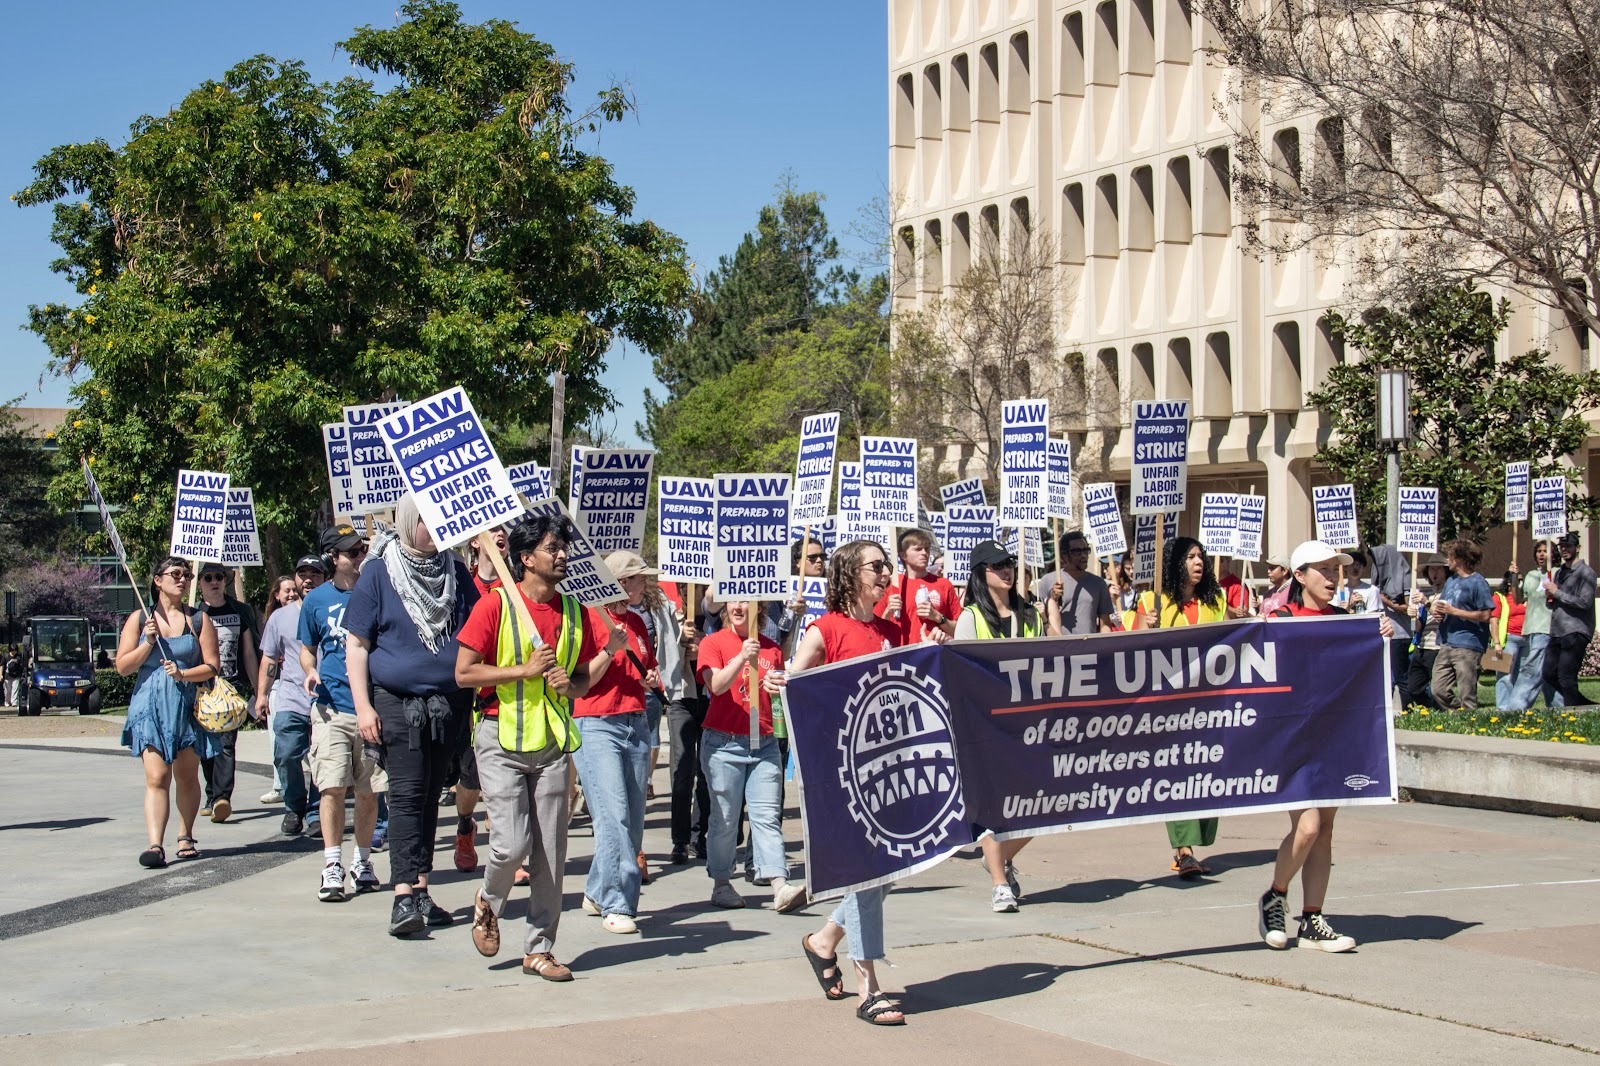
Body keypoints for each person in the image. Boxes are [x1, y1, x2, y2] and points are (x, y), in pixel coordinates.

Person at [455, 512, 607, 982]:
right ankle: (488, 900)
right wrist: (521, 670)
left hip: (553, 744)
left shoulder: (576, 612)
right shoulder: (495, 605)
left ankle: (539, 949)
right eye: (551, 548)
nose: (562, 555)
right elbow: (463, 673)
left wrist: (571, 684)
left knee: (551, 854)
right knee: (511, 844)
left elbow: (582, 681)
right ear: (524, 559)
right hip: (500, 740)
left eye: (563, 547)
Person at [346, 496, 479, 938]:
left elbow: (479, 626)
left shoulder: (457, 571)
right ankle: (403, 894)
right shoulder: (379, 574)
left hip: (449, 703)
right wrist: (363, 707)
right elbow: (358, 646)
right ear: (406, 522)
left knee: (427, 796)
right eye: (425, 519)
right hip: (397, 702)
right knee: (405, 794)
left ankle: (421, 888)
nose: (435, 527)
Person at [1258, 540, 1394, 953]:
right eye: (1324, 570)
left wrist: (1380, 635)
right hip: (1291, 740)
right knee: (1309, 826)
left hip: (1333, 738)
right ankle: (1275, 896)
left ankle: (1313, 919)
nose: (1333, 577)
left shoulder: (1347, 620)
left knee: (1326, 829)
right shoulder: (1280, 617)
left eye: (1337, 570)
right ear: (1299, 576)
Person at [792, 539, 907, 1027]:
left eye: (887, 566)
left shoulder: (887, 629)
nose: (885, 573)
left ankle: (823, 941)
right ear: (850, 574)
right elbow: (797, 684)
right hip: (846, 772)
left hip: (886, 766)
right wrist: (784, 681)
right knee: (866, 875)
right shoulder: (825, 629)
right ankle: (869, 989)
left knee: (891, 870)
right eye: (876, 567)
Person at [696, 598, 807, 913]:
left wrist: (777, 685)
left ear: (760, 606)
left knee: (767, 817)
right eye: (732, 600)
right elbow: (716, 685)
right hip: (723, 745)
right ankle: (721, 883)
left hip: (764, 744)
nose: (737, 606)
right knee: (725, 820)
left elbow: (777, 692)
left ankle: (779, 885)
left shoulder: (772, 649)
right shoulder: (713, 642)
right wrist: (742, 658)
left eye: (745, 600)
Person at [115, 557, 221, 868]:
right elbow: (123, 667)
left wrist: (184, 675)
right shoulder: (139, 620)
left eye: (186, 575)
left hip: (186, 706)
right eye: (175, 574)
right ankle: (154, 844)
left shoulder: (199, 620)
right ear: (157, 580)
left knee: (186, 776)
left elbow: (212, 665)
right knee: (157, 777)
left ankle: (185, 835)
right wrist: (148, 643)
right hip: (150, 706)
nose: (183, 579)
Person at [1132, 536, 1227, 879]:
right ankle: (1184, 851)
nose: (1198, 562)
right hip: (1170, 709)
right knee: (1178, 775)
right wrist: (1147, 625)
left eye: (1201, 556)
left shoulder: (1216, 602)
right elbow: (1129, 649)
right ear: (1175, 563)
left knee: (1207, 774)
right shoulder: (1150, 600)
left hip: (1210, 705)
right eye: (1190, 557)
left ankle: (1192, 843)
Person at [299, 524, 385, 902]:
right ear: (333, 559)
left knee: (368, 791)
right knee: (332, 786)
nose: (359, 556)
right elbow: (307, 647)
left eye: (361, 549)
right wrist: (311, 669)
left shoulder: (376, 592)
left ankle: (362, 861)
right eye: (351, 552)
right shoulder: (316, 600)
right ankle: (332, 864)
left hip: (372, 708)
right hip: (331, 709)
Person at [956, 539, 1041, 912]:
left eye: (1008, 563)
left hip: (1028, 727)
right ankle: (999, 883)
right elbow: (962, 675)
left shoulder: (1032, 616)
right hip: (986, 729)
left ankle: (999, 858)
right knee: (994, 810)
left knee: (1042, 807)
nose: (1006, 570)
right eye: (996, 566)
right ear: (981, 575)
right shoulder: (971, 618)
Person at [571, 565, 656, 935]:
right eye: (639, 577)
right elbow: (579, 680)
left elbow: (645, 668)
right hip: (595, 723)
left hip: (636, 721)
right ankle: (618, 902)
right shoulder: (587, 619)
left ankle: (594, 890)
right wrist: (609, 650)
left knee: (633, 819)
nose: (645, 583)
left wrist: (650, 678)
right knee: (613, 816)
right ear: (620, 582)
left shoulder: (637, 621)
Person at [256, 556, 325, 836]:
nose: (308, 578)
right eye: (302, 573)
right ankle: (294, 807)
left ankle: (316, 811)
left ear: (325, 576)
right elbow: (269, 658)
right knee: (285, 754)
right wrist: (261, 695)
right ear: (295, 579)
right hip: (290, 698)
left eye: (315, 573)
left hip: (326, 699)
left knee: (323, 758)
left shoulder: (334, 608)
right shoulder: (280, 617)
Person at [196, 561, 260, 823]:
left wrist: (259, 691)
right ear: (199, 584)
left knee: (225, 744)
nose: (214, 581)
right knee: (204, 747)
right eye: (208, 577)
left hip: (231, 689)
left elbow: (248, 653)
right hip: (201, 688)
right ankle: (211, 794)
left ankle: (222, 797)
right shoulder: (194, 614)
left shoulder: (240, 612)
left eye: (219, 577)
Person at [667, 587, 711, 866]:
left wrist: (704, 646)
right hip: (682, 698)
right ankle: (680, 841)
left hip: (710, 698)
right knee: (682, 772)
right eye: (685, 586)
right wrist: (678, 642)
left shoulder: (717, 616)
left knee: (706, 773)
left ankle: (701, 835)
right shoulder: (670, 614)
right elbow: (659, 651)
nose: (690, 590)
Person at [1429, 539, 1494, 711]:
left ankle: (1470, 722)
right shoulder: (1451, 581)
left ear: (1460, 558)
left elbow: (1486, 615)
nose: (1447, 560)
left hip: (1468, 644)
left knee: (1467, 692)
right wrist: (1438, 612)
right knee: (1438, 689)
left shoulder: (1478, 582)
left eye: (1450, 556)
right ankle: (1461, 715)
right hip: (1446, 641)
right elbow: (1445, 605)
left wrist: (1454, 611)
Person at [1540, 531, 1596, 708]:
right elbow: (1554, 602)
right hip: (1557, 630)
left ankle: (1573, 713)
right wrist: (1549, 596)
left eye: (1568, 546)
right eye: (1561, 546)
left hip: (1576, 630)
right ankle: (1583, 704)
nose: (1564, 549)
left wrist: (1558, 593)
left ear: (1577, 548)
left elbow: (1584, 602)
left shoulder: (1586, 573)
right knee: (1548, 673)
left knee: (1566, 676)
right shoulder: (1559, 573)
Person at [258, 575, 300, 804]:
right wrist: (262, 693)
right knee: (283, 747)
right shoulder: (275, 619)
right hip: (281, 689)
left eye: (294, 589)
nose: (291, 594)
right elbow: (269, 658)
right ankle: (284, 790)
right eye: (286, 590)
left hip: (313, 692)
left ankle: (315, 805)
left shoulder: (312, 611)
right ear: (276, 595)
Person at [876, 528, 959, 644]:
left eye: (926, 549)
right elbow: (874, 631)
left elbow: (959, 632)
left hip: (935, 654)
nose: (924, 553)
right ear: (903, 555)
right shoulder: (890, 584)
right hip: (900, 655)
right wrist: (888, 611)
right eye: (918, 549)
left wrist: (937, 617)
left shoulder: (944, 584)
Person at [1504, 541, 1557, 710]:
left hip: (1547, 627)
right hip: (1530, 629)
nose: (1542, 554)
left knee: (1531, 670)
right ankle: (1558, 708)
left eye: (1545, 551)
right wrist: (1514, 577)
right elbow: (1519, 598)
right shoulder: (1531, 576)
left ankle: (1516, 708)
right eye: (1539, 551)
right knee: (1546, 672)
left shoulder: (1557, 574)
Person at [1033, 530, 1116, 633]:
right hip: (1058, 647)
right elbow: (1038, 620)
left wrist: (1104, 646)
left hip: (1088, 647)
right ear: (1064, 556)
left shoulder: (1099, 583)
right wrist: (1053, 600)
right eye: (1077, 551)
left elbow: (1105, 624)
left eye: (1085, 550)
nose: (1083, 555)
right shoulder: (1047, 581)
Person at [1405, 555, 1451, 708]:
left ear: (1445, 572)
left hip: (1437, 648)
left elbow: (1440, 618)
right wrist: (1413, 616)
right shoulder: (1429, 594)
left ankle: (1445, 710)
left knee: (1438, 687)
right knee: (1413, 687)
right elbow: (1419, 627)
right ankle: (1431, 708)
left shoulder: (1448, 594)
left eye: (1438, 568)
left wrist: (1425, 603)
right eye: (1431, 569)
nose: (1434, 572)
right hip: (1422, 646)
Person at [1491, 570, 1526, 711]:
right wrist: (1497, 644)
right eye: (1519, 580)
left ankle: (1517, 707)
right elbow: (1494, 621)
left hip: (1526, 639)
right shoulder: (1500, 597)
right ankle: (1503, 707)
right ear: (1510, 582)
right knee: (1505, 675)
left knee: (1522, 674)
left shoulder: (1524, 597)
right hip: (1509, 640)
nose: (1522, 583)